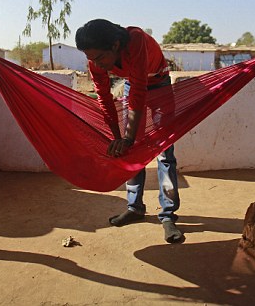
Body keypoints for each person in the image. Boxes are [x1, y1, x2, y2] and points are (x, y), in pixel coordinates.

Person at [75, 19, 183, 243]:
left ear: (115, 45)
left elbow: (139, 92)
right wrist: (118, 139)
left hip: (158, 85)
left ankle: (168, 215)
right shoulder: (95, 61)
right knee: (130, 153)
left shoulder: (136, 40)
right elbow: (104, 98)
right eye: (90, 59)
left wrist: (128, 137)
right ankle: (135, 207)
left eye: (99, 58)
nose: (95, 64)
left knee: (164, 153)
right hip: (132, 86)